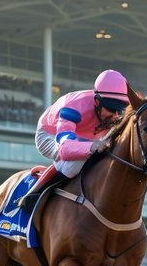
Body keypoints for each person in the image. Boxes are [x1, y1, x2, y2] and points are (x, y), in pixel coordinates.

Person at [16, 68, 130, 211]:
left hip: (84, 137)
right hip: (50, 135)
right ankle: (35, 193)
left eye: (119, 110)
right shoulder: (74, 106)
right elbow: (64, 149)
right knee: (76, 161)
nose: (115, 115)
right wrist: (92, 147)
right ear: (97, 101)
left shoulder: (116, 114)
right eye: (111, 109)